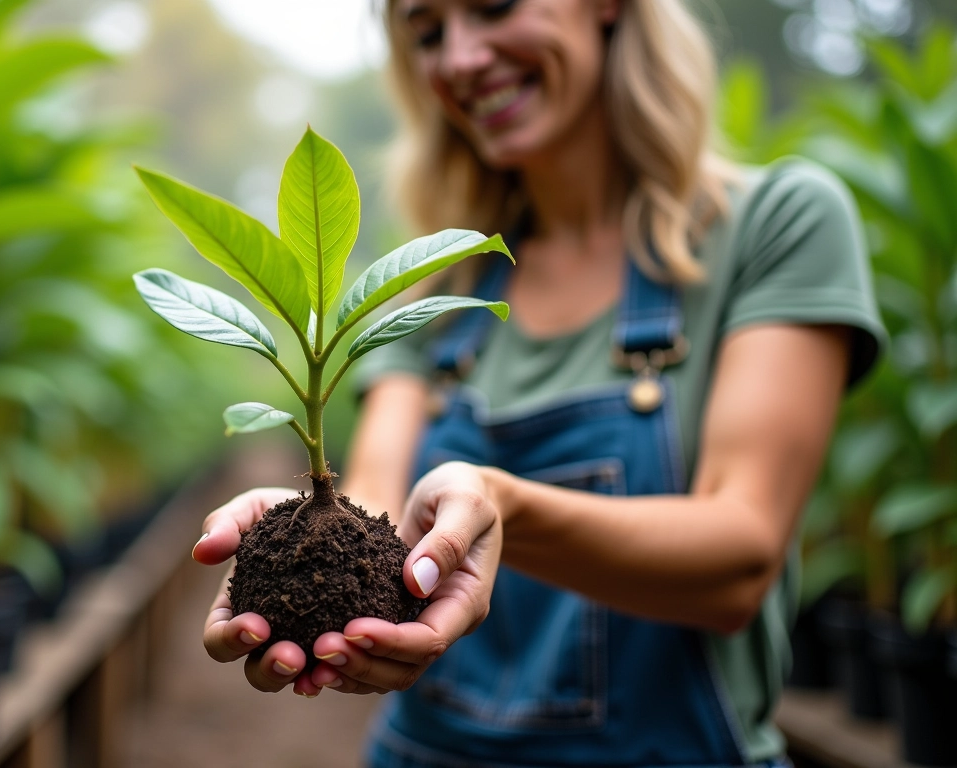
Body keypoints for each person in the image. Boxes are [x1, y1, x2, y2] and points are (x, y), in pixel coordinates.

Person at [192, 0, 886, 765]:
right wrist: (300, 547)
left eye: (493, 7)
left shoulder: (778, 226)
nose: (458, 59)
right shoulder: (438, 288)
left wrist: (504, 505)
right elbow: (377, 507)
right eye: (427, 33)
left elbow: (741, 558)